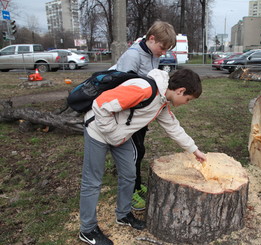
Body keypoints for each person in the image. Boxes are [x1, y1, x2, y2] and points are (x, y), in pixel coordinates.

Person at [79, 68, 207, 245]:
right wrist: (112, 134)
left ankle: (123, 215)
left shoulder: (162, 101)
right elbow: (101, 104)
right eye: (188, 99)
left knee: (129, 174)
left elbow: (173, 127)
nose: (187, 103)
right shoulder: (144, 90)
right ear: (180, 91)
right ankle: (87, 229)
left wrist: (194, 150)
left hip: (119, 135)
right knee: (92, 181)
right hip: (98, 131)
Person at [113, 20, 176, 211]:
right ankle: (130, 192)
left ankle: (137, 184)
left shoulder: (152, 53)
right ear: (151, 38)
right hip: (127, 117)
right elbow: (122, 89)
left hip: (140, 115)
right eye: (162, 48)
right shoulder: (132, 56)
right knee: (131, 153)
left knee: (139, 150)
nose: (163, 53)